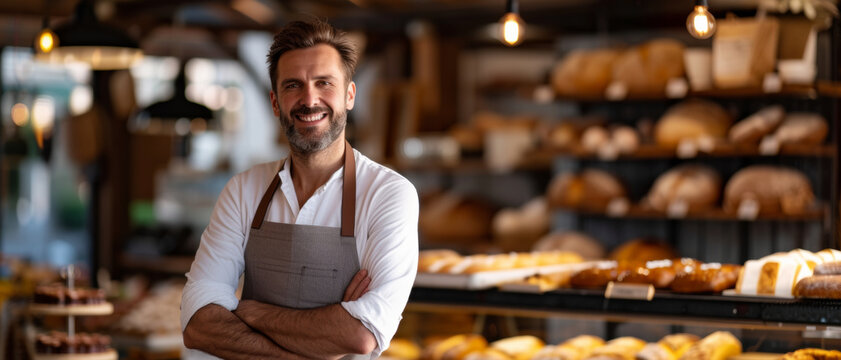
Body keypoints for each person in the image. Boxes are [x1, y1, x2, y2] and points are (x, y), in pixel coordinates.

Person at [180, 18, 419, 360]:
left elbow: (362, 334)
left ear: (349, 95)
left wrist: (248, 311)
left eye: (324, 83)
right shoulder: (244, 190)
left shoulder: (388, 195)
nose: (310, 99)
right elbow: (198, 324)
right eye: (293, 85)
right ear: (276, 103)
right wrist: (320, 337)